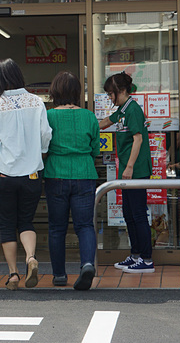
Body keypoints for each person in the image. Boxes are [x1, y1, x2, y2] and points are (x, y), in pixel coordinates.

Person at [0, 58, 52, 290]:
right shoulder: (36, 102)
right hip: (32, 172)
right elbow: (45, 134)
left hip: (5, 173)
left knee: (6, 224)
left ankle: (13, 275)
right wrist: (38, 152)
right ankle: (31, 258)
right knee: (25, 221)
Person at [44, 71, 100, 290]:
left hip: (56, 173)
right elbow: (95, 148)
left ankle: (59, 275)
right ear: (77, 92)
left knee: (57, 227)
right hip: (85, 173)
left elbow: (43, 147)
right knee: (85, 225)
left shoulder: (49, 116)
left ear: (55, 91)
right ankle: (87, 264)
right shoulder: (89, 116)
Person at [99, 72, 155, 274]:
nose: (109, 98)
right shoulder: (122, 110)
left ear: (121, 91)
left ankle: (147, 260)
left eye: (110, 93)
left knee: (138, 214)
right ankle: (135, 255)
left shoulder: (133, 110)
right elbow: (106, 122)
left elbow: (138, 139)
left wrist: (130, 167)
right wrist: (85, 127)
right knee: (128, 214)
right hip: (127, 170)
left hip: (136, 170)